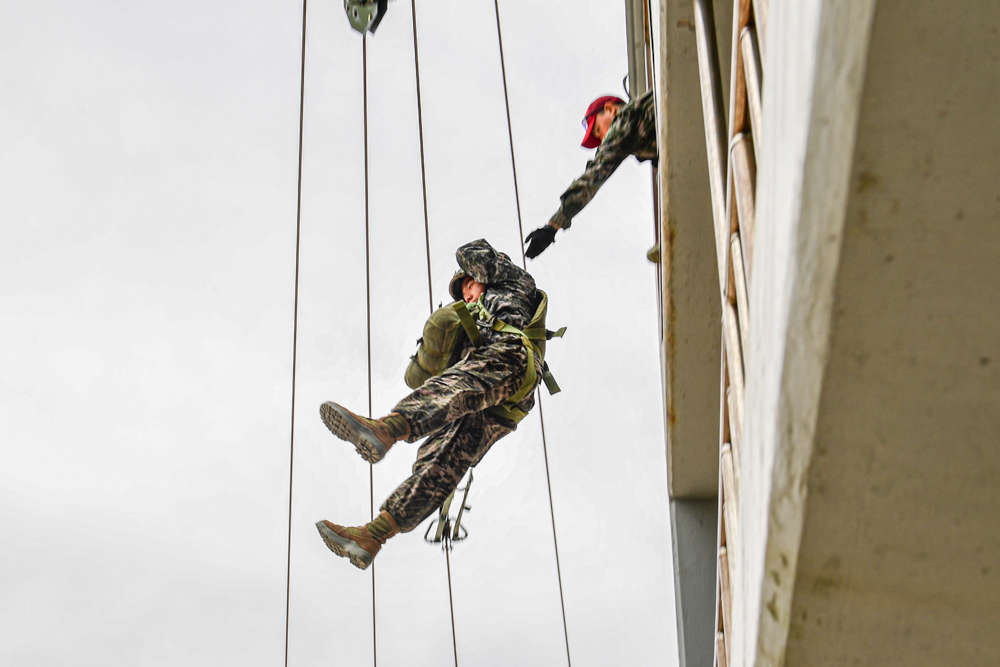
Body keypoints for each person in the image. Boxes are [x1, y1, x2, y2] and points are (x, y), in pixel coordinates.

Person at [315, 239, 543, 570]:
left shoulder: (512, 283)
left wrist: (486, 264)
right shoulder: (472, 321)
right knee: (438, 466)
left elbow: (471, 253)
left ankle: (386, 429)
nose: (466, 294)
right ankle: (373, 535)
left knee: (454, 385)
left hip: (511, 359)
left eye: (469, 284)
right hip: (498, 409)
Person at [524, 89, 657, 259]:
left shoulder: (624, 117)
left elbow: (596, 173)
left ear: (610, 109)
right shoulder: (642, 125)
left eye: (598, 130)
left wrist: (553, 226)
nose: (603, 139)